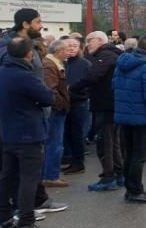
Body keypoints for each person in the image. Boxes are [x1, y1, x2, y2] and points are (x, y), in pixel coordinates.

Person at [0, 37, 55, 228]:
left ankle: (3, 220)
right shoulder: (26, 76)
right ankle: (27, 224)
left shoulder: (1, 71)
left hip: (9, 131)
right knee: (29, 179)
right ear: (29, 54)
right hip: (29, 131)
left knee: (6, 176)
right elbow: (47, 97)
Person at [112, 36, 146, 204]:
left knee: (128, 153)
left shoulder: (122, 62)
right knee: (138, 156)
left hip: (124, 115)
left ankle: (130, 188)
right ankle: (136, 190)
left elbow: (114, 86)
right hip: (142, 117)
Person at [74, 31, 124, 192]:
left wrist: (72, 87)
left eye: (89, 41)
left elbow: (93, 76)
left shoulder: (106, 56)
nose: (87, 44)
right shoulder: (111, 54)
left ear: (100, 41)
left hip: (106, 105)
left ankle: (108, 176)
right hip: (110, 104)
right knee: (113, 141)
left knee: (105, 142)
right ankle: (119, 173)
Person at [40, 40, 71, 189]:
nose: (68, 52)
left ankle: (49, 173)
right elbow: (51, 88)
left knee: (54, 143)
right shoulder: (50, 65)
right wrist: (62, 104)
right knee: (54, 143)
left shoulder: (54, 64)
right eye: (66, 49)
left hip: (57, 108)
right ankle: (50, 176)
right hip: (55, 110)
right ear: (58, 51)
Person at [62, 39, 91, 175]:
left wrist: (71, 90)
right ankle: (70, 159)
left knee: (77, 134)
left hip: (78, 102)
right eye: (69, 46)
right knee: (67, 133)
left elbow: (88, 83)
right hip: (64, 102)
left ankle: (79, 162)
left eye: (75, 46)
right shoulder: (63, 62)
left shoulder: (85, 64)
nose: (72, 49)